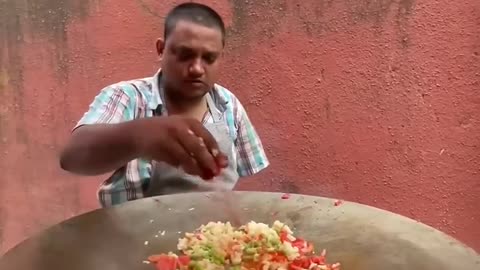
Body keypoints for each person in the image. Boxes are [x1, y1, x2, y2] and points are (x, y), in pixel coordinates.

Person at [59, 2, 269, 207]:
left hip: (211, 236)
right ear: (161, 49)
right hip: (133, 236)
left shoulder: (228, 105)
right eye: (185, 55)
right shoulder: (128, 97)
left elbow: (248, 181)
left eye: (209, 58)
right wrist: (140, 136)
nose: (196, 68)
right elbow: (72, 157)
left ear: (220, 57)